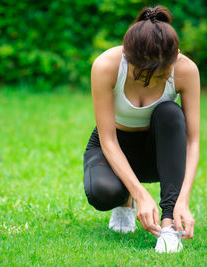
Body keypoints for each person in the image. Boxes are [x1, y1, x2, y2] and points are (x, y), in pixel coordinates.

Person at [82, 5, 200, 253]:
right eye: (144, 74)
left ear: (175, 56)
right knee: (102, 192)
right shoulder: (106, 66)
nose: (151, 81)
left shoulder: (186, 69)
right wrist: (140, 196)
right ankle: (124, 201)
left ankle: (169, 226)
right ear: (127, 56)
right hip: (115, 146)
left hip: (160, 152)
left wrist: (182, 202)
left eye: (160, 75)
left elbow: (191, 141)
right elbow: (109, 141)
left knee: (169, 113)